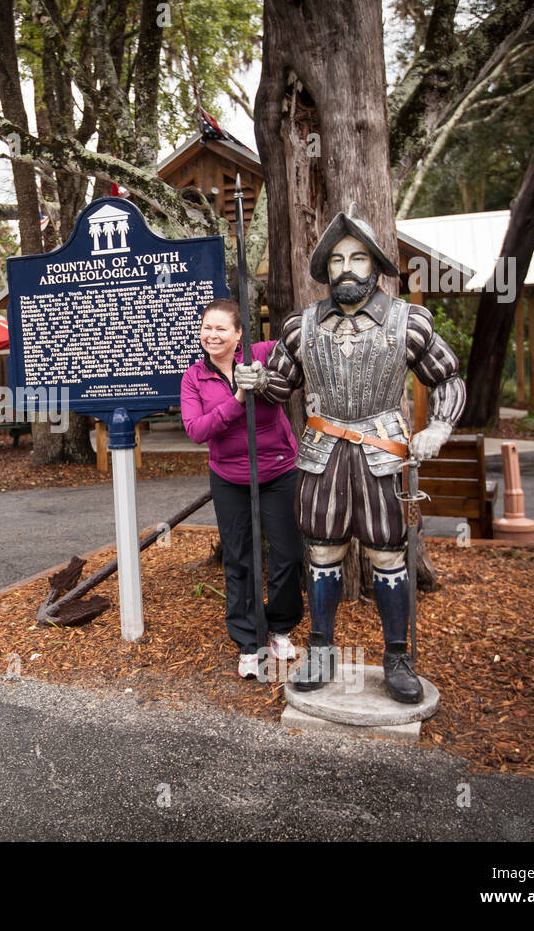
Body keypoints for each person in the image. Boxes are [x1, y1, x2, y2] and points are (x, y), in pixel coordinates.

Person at [234, 206, 464, 703]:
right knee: (321, 553)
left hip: (384, 453)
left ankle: (398, 657)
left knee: (387, 554)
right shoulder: (301, 326)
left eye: (358, 258)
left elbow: (447, 377)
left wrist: (440, 426)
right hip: (321, 454)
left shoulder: (410, 321)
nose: (346, 269)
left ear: (376, 265)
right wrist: (256, 380)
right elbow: (281, 387)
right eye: (337, 259)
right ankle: (321, 650)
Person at [180, 298, 305, 679]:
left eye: (221, 329)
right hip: (230, 478)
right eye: (206, 328)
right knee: (239, 557)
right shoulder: (193, 378)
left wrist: (264, 379)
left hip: (279, 471)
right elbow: (197, 430)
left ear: (238, 334)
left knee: (288, 553)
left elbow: (299, 351)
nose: (211, 335)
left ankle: (280, 627)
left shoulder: (263, 354)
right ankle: (249, 641)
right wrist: (237, 400)